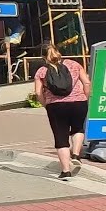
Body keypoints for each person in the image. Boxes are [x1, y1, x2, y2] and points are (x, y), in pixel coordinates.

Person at [35, 43, 90, 179]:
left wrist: (46, 104)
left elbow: (38, 92)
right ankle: (75, 154)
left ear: (43, 56)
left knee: (60, 137)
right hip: (79, 103)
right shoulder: (74, 64)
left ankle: (66, 171)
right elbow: (87, 83)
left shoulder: (42, 71)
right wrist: (84, 97)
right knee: (78, 129)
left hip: (56, 106)